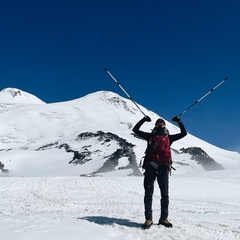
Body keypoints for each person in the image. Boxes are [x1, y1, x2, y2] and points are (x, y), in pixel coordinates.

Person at [132, 115, 187, 229]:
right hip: (157, 166)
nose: (160, 124)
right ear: (156, 125)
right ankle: (150, 218)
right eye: (159, 123)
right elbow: (135, 130)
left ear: (164, 126)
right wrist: (143, 120)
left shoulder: (163, 137)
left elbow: (184, 134)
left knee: (163, 194)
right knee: (151, 193)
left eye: (161, 123)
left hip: (160, 166)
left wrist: (179, 121)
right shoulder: (153, 136)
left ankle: (162, 218)